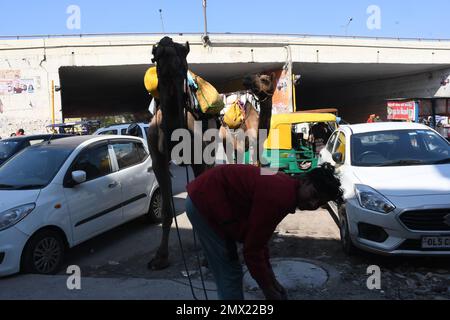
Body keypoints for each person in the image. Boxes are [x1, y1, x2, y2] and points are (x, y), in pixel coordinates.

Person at [185, 163, 343, 300]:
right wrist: (268, 291)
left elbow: (259, 241)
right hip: (204, 201)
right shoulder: (280, 196)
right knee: (229, 273)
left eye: (320, 202)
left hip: (211, 197)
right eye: (314, 195)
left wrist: (272, 282)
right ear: (304, 181)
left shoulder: (286, 186)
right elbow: (252, 251)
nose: (313, 204)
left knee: (230, 268)